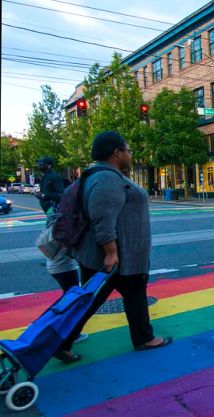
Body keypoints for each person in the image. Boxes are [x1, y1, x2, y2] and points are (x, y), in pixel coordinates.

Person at [55, 131, 172, 363]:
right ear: (116, 153)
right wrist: (111, 252)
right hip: (117, 256)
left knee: (95, 299)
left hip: (117, 254)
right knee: (122, 294)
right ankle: (143, 339)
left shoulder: (102, 175)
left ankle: (63, 341)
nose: (130, 154)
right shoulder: (106, 178)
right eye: (127, 150)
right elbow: (103, 217)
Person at [35, 156, 89, 344]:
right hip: (62, 265)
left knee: (69, 297)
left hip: (57, 263)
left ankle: (56, 330)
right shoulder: (63, 222)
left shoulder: (55, 219)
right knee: (71, 298)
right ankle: (62, 333)